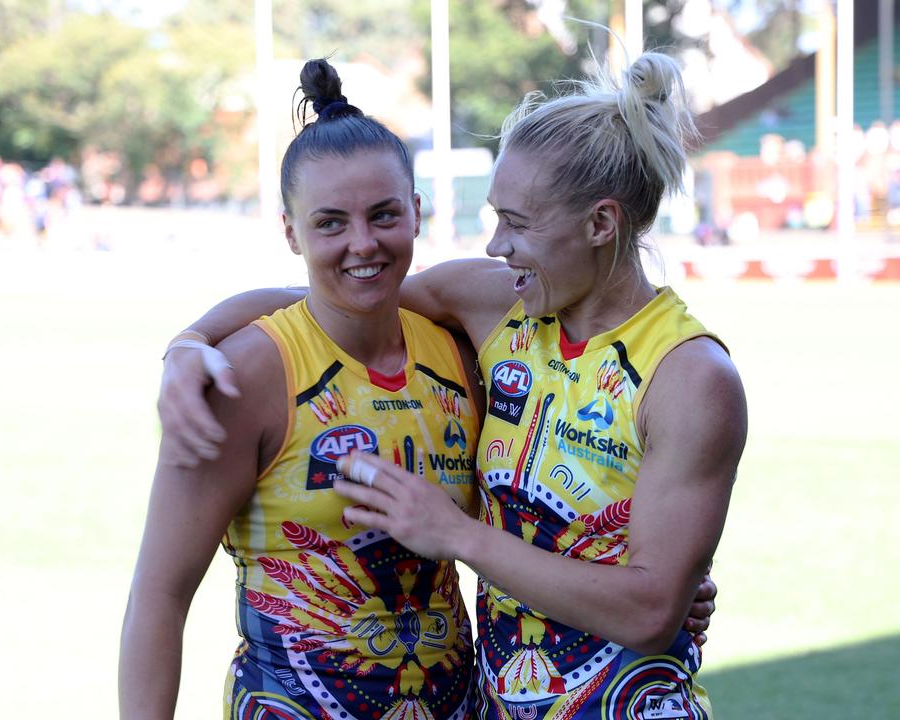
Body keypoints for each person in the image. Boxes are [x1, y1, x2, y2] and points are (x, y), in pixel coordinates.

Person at [159, 50, 743, 719]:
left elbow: (647, 612)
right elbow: (338, 295)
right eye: (495, 217)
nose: (496, 244)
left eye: (517, 223)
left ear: (601, 224)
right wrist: (189, 342)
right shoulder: (498, 304)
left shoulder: (691, 376)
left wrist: (457, 534)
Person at [119, 59, 484, 720]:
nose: (363, 243)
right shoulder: (243, 374)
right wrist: (187, 343)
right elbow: (159, 595)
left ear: (417, 213)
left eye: (383, 215)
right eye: (330, 224)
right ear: (291, 232)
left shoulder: (458, 354)